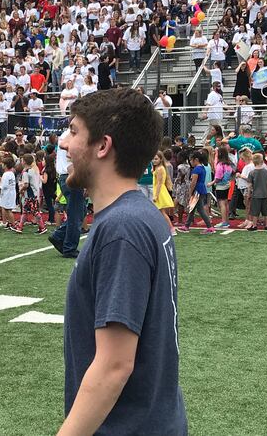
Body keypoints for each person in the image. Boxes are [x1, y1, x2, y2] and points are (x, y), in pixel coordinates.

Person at [57, 88, 187, 436]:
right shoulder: (141, 215)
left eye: (72, 131)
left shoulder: (122, 227)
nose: (63, 143)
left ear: (102, 146)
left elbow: (114, 365)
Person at [48, 129, 85, 258]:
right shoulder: (72, 134)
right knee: (76, 214)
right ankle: (69, 247)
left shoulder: (68, 133)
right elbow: (70, 156)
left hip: (66, 175)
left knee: (79, 212)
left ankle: (59, 236)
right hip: (70, 175)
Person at [177, 152, 215, 234]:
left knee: (200, 209)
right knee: (192, 208)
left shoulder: (196, 169)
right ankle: (186, 226)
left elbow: (193, 182)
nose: (190, 162)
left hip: (197, 190)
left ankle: (209, 227)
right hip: (201, 189)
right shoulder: (202, 168)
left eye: (191, 160)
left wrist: (190, 192)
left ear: (196, 160)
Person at [11, 154, 47, 235]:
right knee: (25, 211)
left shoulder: (26, 172)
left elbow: (26, 184)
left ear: (24, 162)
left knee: (35, 211)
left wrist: (21, 190)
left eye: (22, 160)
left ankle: (42, 227)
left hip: (30, 195)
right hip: (33, 194)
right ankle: (20, 227)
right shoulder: (32, 170)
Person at [208, 147, 234, 228]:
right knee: (225, 203)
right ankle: (226, 221)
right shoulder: (228, 164)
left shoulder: (220, 165)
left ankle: (224, 222)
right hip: (227, 184)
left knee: (221, 203)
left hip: (221, 185)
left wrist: (212, 183)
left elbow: (218, 177)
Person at [152, 151, 175, 235]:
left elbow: (159, 183)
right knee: (160, 212)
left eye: (156, 159)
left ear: (161, 159)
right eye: (153, 159)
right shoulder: (159, 168)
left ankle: (171, 228)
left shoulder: (159, 169)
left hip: (159, 192)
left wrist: (156, 196)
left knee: (162, 212)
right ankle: (166, 228)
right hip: (160, 191)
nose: (154, 161)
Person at [247, 153, 267, 231]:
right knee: (266, 211)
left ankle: (254, 225)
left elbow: (249, 185)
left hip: (256, 195)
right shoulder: (266, 172)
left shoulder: (252, 173)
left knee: (255, 211)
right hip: (265, 194)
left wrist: (248, 194)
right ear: (262, 161)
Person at [0, 155, 17, 229]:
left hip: (7, 193)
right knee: (7, 209)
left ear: (5, 165)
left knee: (8, 210)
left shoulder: (6, 174)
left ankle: (13, 225)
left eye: (3, 164)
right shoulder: (11, 173)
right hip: (10, 193)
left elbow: (2, 186)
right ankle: (10, 223)